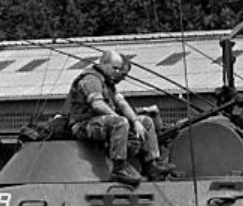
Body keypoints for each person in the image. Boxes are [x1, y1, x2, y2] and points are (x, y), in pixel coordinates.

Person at [66, 50, 173, 185]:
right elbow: (97, 104)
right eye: (114, 68)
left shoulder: (108, 82)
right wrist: (122, 121)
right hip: (84, 125)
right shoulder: (91, 79)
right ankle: (119, 168)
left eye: (118, 69)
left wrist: (134, 121)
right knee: (120, 122)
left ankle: (152, 165)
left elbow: (122, 103)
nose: (117, 72)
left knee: (145, 121)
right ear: (103, 64)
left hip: (102, 122)